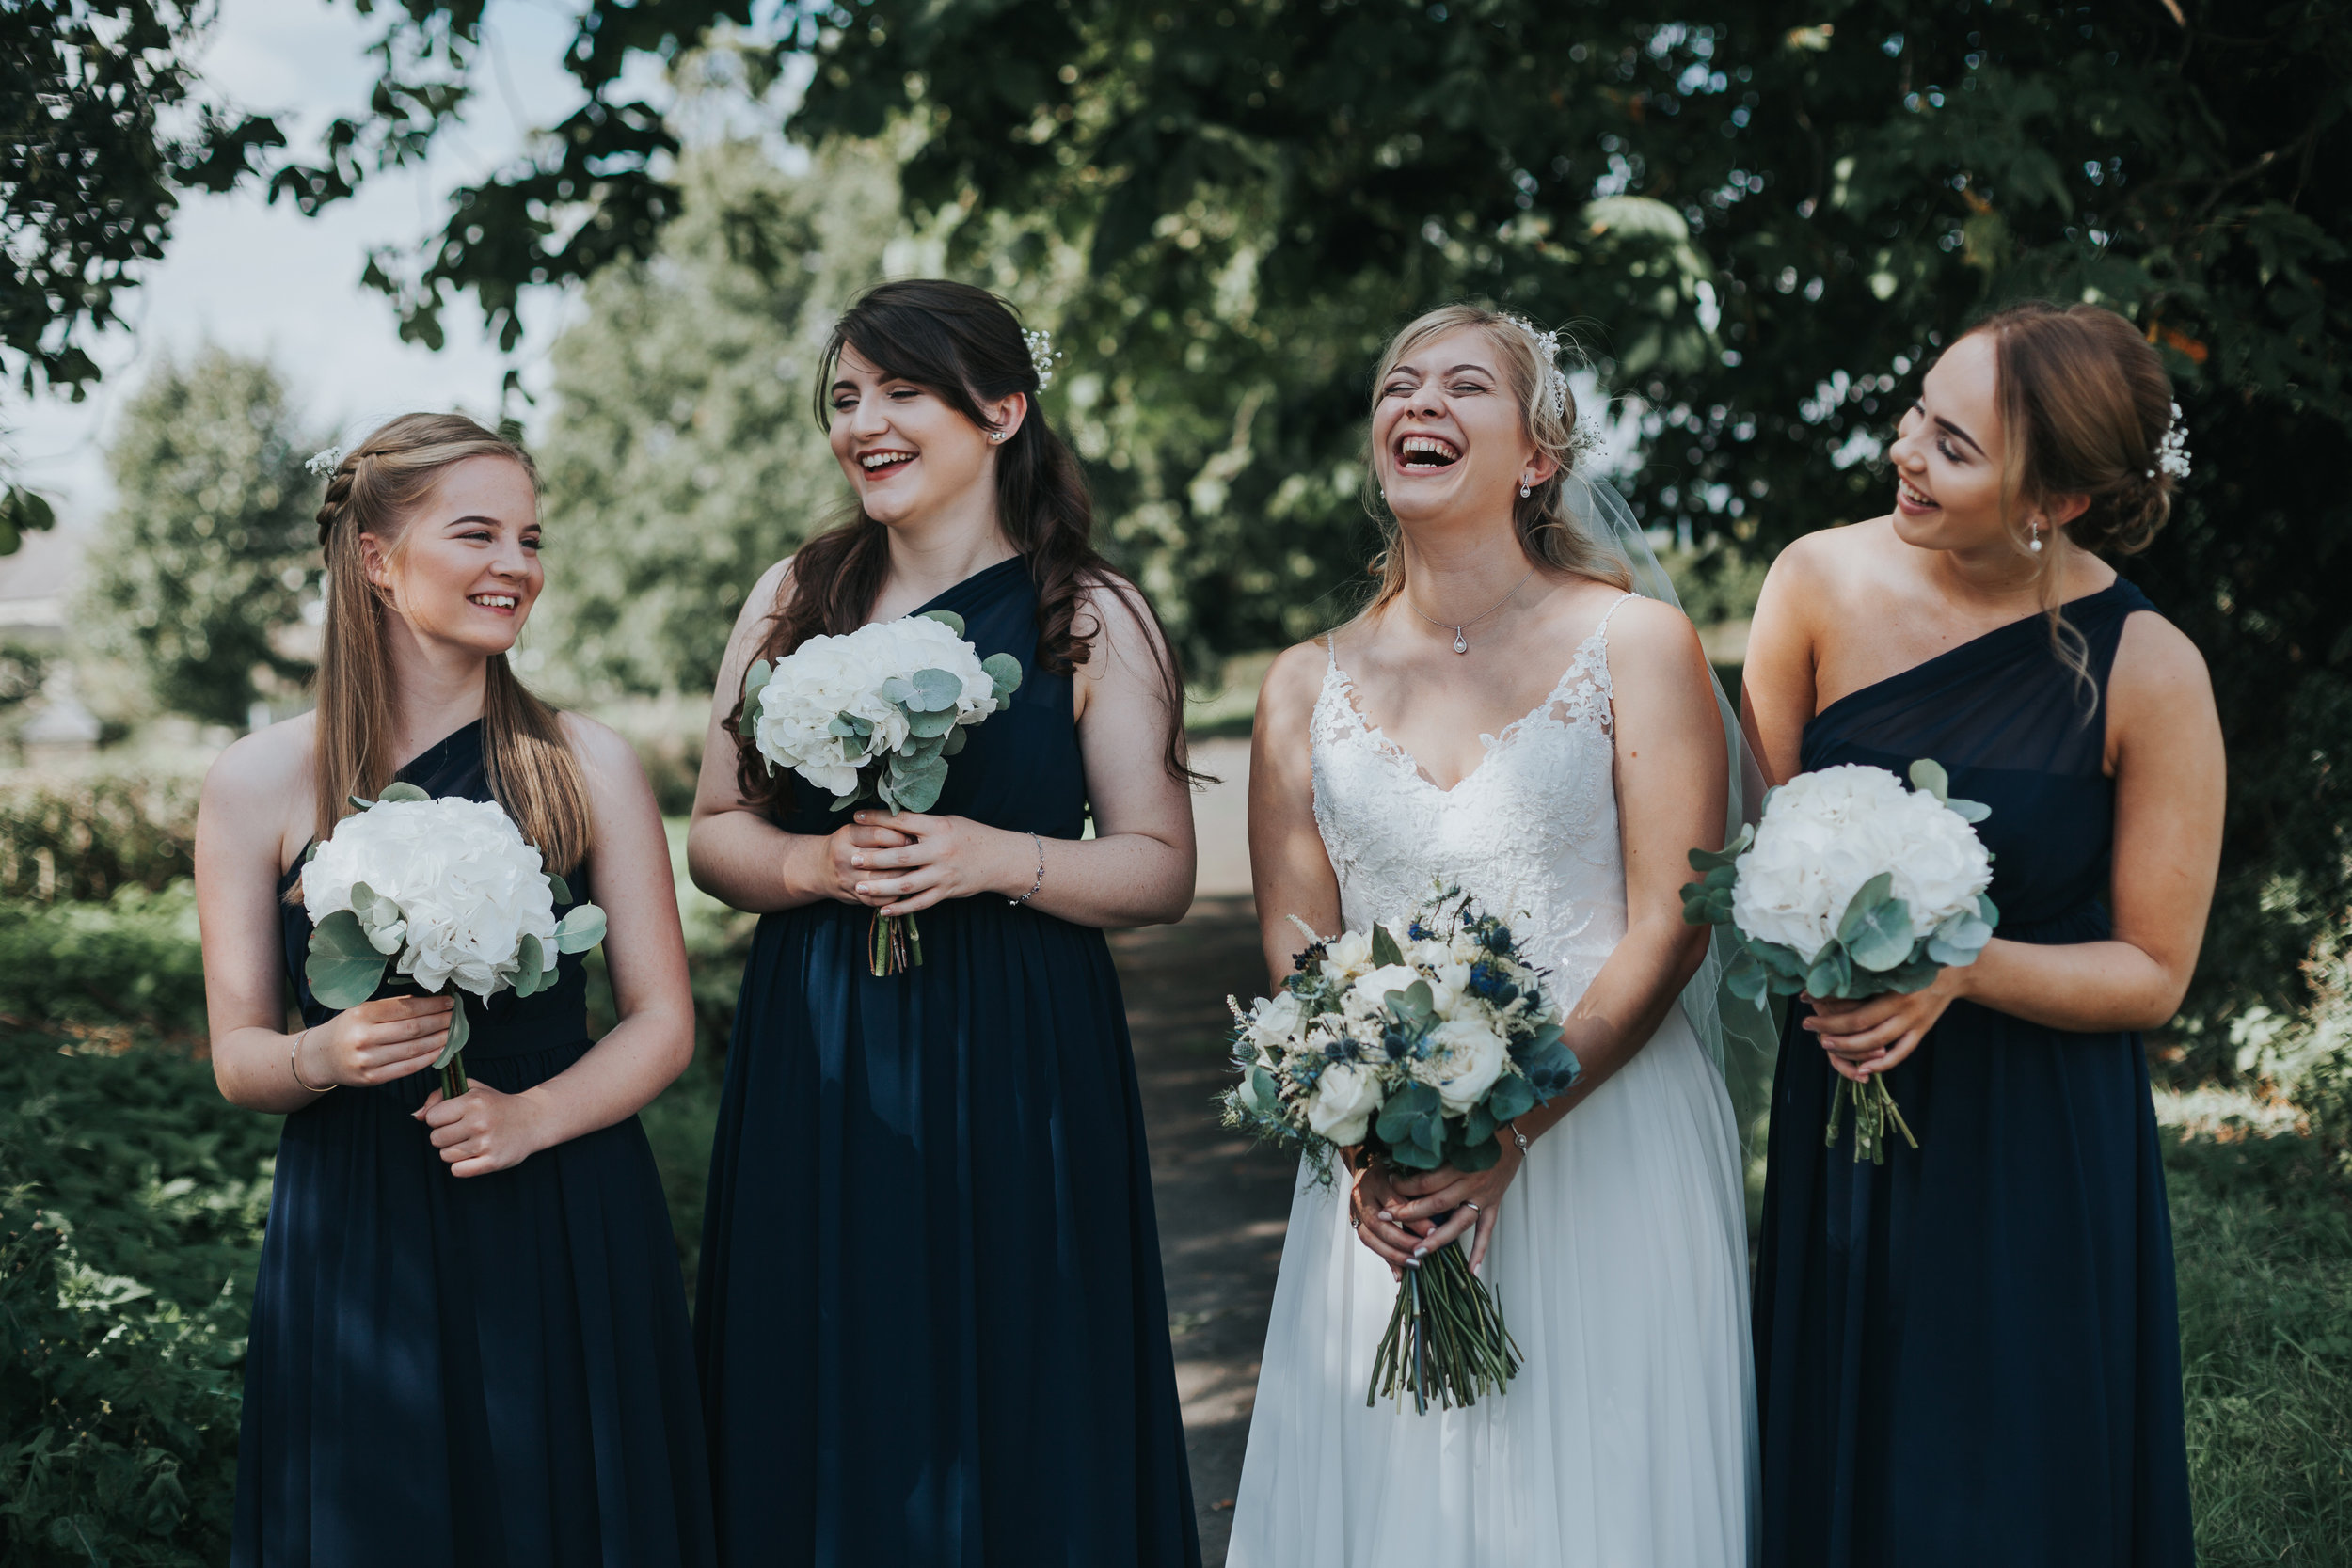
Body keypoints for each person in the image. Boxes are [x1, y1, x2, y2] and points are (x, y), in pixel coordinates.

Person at [1228, 303, 1758, 1567]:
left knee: (1603, 1489)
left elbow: (1672, 921)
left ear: (1536, 457)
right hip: (1387, 1168)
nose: (1418, 402)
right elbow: (1298, 937)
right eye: (1398, 383)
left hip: (1605, 1133)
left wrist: (1514, 1125)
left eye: (1464, 385)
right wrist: (1361, 1136)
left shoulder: (1635, 641)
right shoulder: (1304, 684)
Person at [686, 279, 1202, 1567]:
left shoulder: (1085, 610)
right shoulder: (793, 595)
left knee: (1016, 1365)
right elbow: (711, 832)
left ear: (1002, 408)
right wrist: (810, 864)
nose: (865, 419)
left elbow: (1157, 869)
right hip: (822, 1048)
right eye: (847, 396)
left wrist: (992, 855)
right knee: (824, 1359)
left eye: (901, 390)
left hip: (1017, 1049)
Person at [1742, 301, 2219, 1567]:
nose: (1905, 450)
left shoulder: (2149, 667)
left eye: (1953, 445)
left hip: (2038, 1135)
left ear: (2052, 498)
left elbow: (2155, 970)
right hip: (1847, 1099)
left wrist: (1964, 970)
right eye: (1915, 412)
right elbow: (1761, 860)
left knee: (2008, 1477)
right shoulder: (1815, 582)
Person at [195, 413, 715, 1566]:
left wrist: (533, 1116)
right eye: (477, 534)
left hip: (563, 1200)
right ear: (377, 560)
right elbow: (239, 1051)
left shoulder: (586, 764)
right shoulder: (259, 780)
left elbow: (663, 1019)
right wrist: (320, 1055)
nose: (514, 566)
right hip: (362, 1215)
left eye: (530, 538)